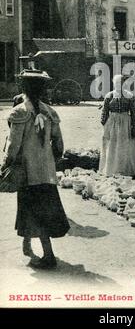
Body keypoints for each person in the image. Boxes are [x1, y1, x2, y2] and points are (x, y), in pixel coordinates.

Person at [1, 69, 69, 269]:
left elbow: (13, 145)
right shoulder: (50, 112)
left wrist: (6, 164)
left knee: (34, 212)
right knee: (42, 211)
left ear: (24, 88)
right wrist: (50, 160)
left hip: (27, 172)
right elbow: (59, 145)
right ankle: (27, 244)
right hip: (46, 172)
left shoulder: (19, 111)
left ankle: (49, 256)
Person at [99, 74, 135, 177]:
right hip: (112, 123)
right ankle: (111, 169)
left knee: (123, 145)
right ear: (114, 84)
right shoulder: (109, 96)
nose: (119, 85)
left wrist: (134, 126)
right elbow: (105, 111)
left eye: (121, 83)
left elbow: (134, 113)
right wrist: (104, 124)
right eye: (117, 83)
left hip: (125, 123)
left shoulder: (129, 96)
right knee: (112, 145)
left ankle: (124, 169)